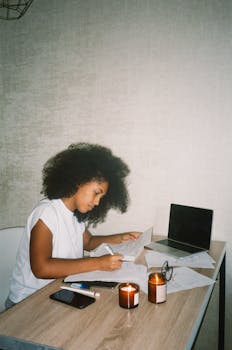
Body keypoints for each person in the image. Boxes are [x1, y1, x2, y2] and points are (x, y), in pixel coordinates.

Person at [6, 142, 140, 308]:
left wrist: (121, 238)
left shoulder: (76, 214)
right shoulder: (46, 213)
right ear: (78, 180)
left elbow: (89, 243)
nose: (98, 202)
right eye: (96, 193)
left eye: (101, 197)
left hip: (57, 292)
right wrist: (99, 263)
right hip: (27, 302)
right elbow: (41, 268)